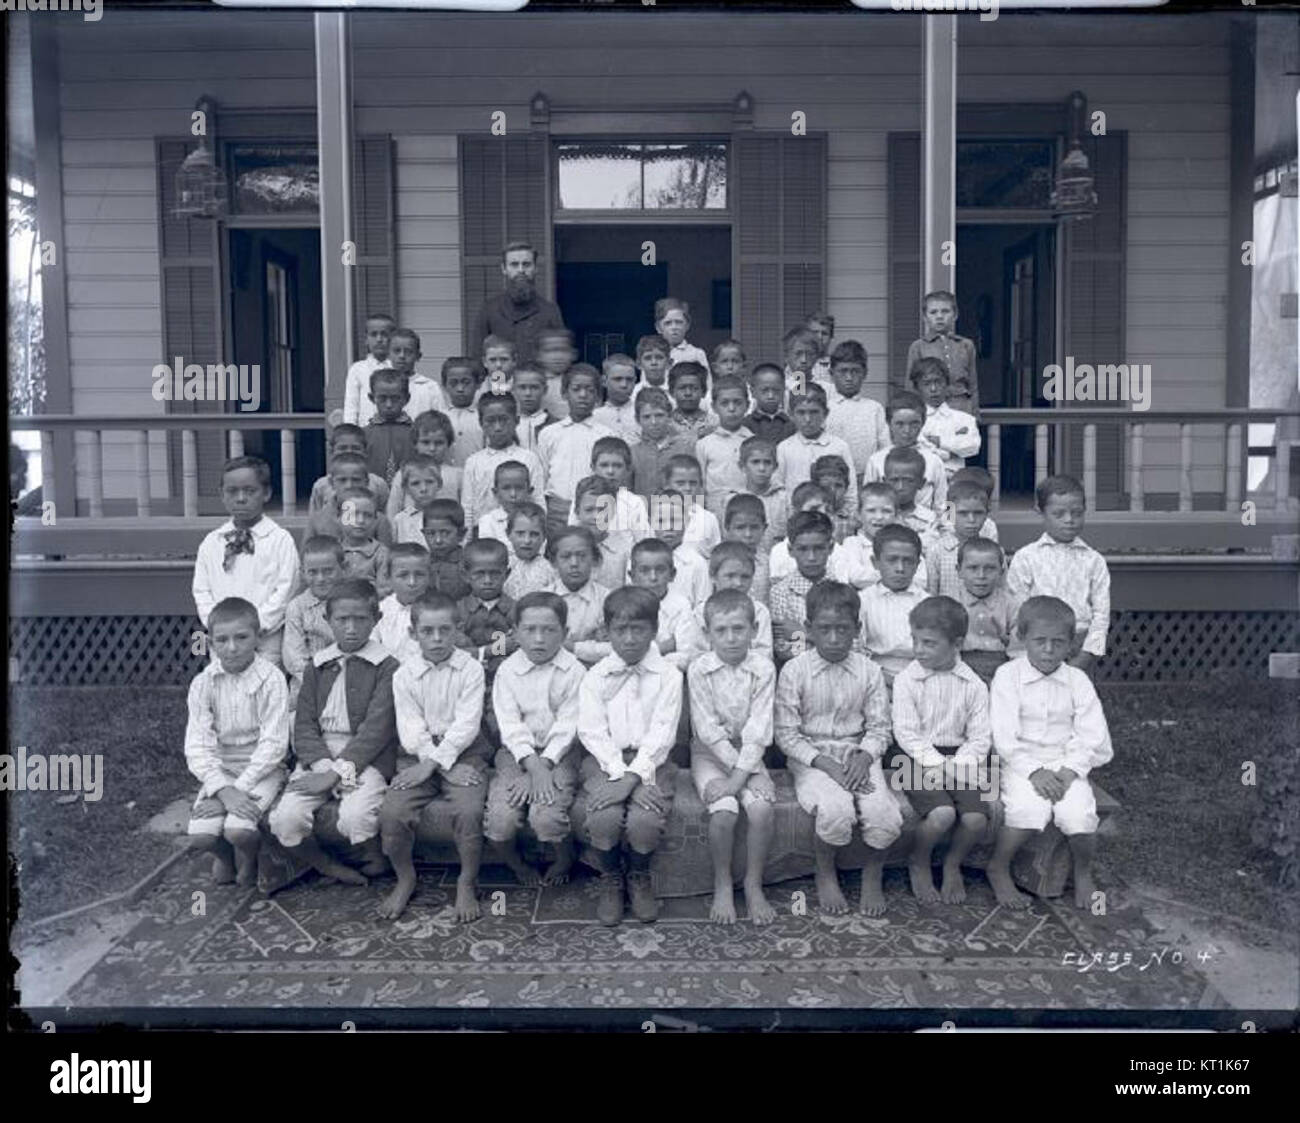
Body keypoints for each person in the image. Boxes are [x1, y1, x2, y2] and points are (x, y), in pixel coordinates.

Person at [775, 580, 902, 916]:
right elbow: (787, 735)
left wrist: (864, 756)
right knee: (835, 809)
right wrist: (826, 765)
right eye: (824, 629)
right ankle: (825, 870)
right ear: (808, 629)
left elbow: (879, 727)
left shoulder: (869, 670)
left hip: (858, 753)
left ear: (857, 629)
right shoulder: (794, 671)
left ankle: (872, 872)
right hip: (813, 757)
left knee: (884, 813)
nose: (833, 638)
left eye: (842, 629)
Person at [268, 579, 398, 886]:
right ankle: (325, 864)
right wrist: (325, 769)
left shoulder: (387, 666)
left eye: (360, 619)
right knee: (287, 817)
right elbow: (305, 725)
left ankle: (373, 857)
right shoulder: (317, 665)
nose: (351, 628)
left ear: (376, 620)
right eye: (342, 620)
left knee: (355, 816)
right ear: (328, 622)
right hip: (320, 758)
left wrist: (339, 774)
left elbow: (375, 731)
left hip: (364, 758)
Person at [987, 596, 1113, 909]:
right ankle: (998, 866)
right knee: (1029, 809)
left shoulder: (1078, 681)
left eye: (1058, 643)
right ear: (1022, 639)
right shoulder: (1008, 676)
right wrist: (1034, 771)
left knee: (1079, 814)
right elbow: (1003, 736)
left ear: (1072, 644)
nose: (1048, 650)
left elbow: (1092, 735)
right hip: (1021, 762)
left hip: (1066, 762)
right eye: (1039, 641)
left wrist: (1068, 772)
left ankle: (1083, 871)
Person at [574, 586, 684, 925]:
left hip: (654, 761)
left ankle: (638, 875)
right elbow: (592, 731)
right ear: (607, 632)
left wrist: (635, 777)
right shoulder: (595, 676)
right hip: (604, 759)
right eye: (621, 630)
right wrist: (620, 775)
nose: (631, 638)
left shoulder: (669, 676)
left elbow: (663, 734)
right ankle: (610, 877)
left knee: (645, 819)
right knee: (603, 817)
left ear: (654, 630)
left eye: (639, 629)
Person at [380, 592, 491, 921]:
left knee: (469, 810)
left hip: (465, 752)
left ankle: (466, 881)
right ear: (414, 634)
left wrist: (440, 764)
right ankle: (405, 878)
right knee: (392, 812)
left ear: (458, 629)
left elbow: (466, 725)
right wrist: (435, 765)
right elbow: (411, 729)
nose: (437, 638)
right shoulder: (403, 675)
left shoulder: (471, 669)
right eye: (428, 631)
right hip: (418, 754)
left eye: (445, 630)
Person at [890, 595, 992, 904]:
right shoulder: (907, 679)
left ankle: (952, 863)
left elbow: (980, 737)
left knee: (976, 819)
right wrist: (937, 765)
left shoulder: (973, 684)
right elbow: (906, 733)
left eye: (929, 643)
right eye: (915, 640)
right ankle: (919, 861)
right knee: (942, 813)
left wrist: (960, 765)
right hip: (910, 756)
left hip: (962, 757)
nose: (918, 649)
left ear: (957, 643)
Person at [184, 597, 289, 886]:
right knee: (201, 836)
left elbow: (274, 745)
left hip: (262, 768)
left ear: (257, 636)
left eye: (241, 637)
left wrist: (235, 792)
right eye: (222, 639)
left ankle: (251, 854)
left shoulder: (271, 679)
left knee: (238, 830)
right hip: (222, 768)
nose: (232, 647)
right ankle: (225, 857)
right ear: (210, 642)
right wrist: (221, 789)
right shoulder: (203, 683)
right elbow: (198, 747)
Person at [690, 588, 778, 925]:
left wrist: (743, 774)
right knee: (724, 811)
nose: (730, 638)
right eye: (721, 630)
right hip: (709, 755)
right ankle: (722, 883)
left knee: (761, 809)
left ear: (754, 630)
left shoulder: (764, 669)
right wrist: (737, 778)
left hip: (750, 755)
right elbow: (707, 729)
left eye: (739, 629)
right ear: (707, 633)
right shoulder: (699, 669)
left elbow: (758, 729)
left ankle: (753, 884)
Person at [485, 591, 584, 888]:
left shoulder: (575, 671)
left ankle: (564, 857)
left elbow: (569, 725)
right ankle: (516, 863)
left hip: (562, 753)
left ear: (565, 633)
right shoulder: (507, 670)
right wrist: (532, 767)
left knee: (546, 817)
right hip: (515, 753)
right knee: (501, 821)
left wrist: (544, 765)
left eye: (549, 630)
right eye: (530, 630)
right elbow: (509, 725)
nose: (539, 639)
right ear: (514, 633)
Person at [193, 455, 299, 669]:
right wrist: (219, 627)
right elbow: (201, 591)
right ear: (222, 495)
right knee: (225, 688)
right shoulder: (212, 542)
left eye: (250, 491)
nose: (241, 498)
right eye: (232, 491)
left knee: (263, 688)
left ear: (266, 493)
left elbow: (286, 589)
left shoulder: (279, 540)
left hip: (265, 638)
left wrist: (255, 626)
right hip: (223, 639)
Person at [1004, 474, 1110, 675]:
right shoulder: (1026, 557)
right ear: (1041, 512)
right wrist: (1027, 654)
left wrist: (1087, 654)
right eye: (1059, 514)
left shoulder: (1094, 561)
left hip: (1078, 646)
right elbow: (1018, 610)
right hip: (1037, 647)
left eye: (1077, 513)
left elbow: (1101, 615)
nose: (1069, 520)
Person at [537, 363, 614, 540]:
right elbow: (542, 474)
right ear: (565, 393)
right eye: (576, 389)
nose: (583, 395)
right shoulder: (549, 433)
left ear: (597, 396)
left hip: (592, 510)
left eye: (589, 390)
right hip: (556, 509)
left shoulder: (606, 434)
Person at [469, 240, 566, 364]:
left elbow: (559, 356)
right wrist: (500, 383)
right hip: (500, 380)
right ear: (504, 269)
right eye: (514, 264)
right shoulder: (489, 310)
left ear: (535, 268)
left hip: (537, 381)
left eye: (526, 264)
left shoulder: (549, 311)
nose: (521, 270)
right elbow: (478, 357)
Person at [460, 393, 545, 529]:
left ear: (516, 421)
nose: (498, 427)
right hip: (484, 536)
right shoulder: (474, 462)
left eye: (504, 420)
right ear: (481, 423)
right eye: (491, 421)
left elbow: (538, 501)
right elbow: (468, 507)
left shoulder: (529, 458)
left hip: (522, 536)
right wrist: (468, 542)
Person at [858, 524, 928, 689]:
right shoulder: (863, 601)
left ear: (918, 564)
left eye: (908, 561)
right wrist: (884, 679)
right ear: (875, 562)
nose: (900, 568)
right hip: (874, 678)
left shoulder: (927, 603)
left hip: (920, 677)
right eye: (892, 560)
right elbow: (857, 653)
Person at [284, 536, 345, 713]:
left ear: (343, 569)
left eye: (328, 571)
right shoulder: (297, 607)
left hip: (349, 682)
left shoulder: (352, 602)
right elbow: (293, 657)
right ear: (302, 573)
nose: (320, 578)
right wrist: (318, 683)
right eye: (313, 572)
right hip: (308, 684)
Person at [775, 383, 858, 513]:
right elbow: (779, 490)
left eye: (814, 412)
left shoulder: (839, 446)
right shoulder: (784, 448)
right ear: (791, 414)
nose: (807, 419)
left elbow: (850, 491)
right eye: (801, 413)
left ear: (825, 413)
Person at [627, 537, 706, 671]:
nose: (653, 577)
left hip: (668, 678)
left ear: (672, 574)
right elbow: (617, 652)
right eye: (644, 571)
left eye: (660, 570)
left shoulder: (681, 606)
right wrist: (663, 648)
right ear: (632, 575)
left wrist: (641, 657)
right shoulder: (623, 604)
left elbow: (687, 656)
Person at [865, 390, 948, 514]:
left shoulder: (934, 461)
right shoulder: (876, 460)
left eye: (914, 424)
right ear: (889, 423)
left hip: (925, 527)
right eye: (900, 424)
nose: (907, 430)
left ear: (923, 422)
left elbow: (945, 503)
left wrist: (948, 529)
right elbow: (868, 499)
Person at [770, 509, 836, 663]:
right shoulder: (780, 593)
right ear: (790, 550)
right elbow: (784, 650)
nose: (811, 557)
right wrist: (828, 643)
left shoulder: (842, 591)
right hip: (798, 675)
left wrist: (802, 633)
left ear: (831, 548)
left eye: (819, 548)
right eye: (803, 549)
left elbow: (851, 646)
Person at [544, 526, 612, 665]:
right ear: (553, 562)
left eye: (582, 556)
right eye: (566, 556)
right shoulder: (542, 599)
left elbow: (616, 648)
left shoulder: (607, 599)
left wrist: (574, 647)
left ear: (594, 559)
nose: (574, 563)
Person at [824, 340, 889, 484]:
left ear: (864, 373)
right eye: (843, 371)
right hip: (831, 480)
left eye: (855, 371)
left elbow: (885, 448)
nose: (849, 378)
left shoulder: (874, 408)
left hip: (866, 479)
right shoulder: (824, 409)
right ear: (831, 373)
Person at [905, 289, 979, 415]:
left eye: (945, 311)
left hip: (961, 405)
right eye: (933, 312)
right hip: (931, 407)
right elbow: (911, 385)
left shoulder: (966, 345)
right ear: (925, 317)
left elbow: (972, 383)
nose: (939, 316)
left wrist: (975, 411)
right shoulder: (918, 346)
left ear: (955, 315)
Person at [956, 537, 1015, 685]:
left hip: (1002, 667)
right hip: (959, 666)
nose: (981, 576)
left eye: (990, 569)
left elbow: (1019, 648)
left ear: (1001, 571)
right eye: (973, 568)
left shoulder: (1011, 604)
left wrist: (1008, 639)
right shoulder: (950, 604)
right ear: (959, 571)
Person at [306, 451, 395, 549]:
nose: (349, 485)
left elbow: (387, 557)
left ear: (367, 482)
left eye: (356, 480)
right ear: (331, 482)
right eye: (342, 480)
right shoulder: (318, 520)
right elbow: (306, 554)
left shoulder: (379, 520)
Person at [694, 374, 754, 518]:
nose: (732, 408)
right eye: (725, 403)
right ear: (714, 407)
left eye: (737, 403)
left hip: (748, 511)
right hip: (714, 512)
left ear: (748, 405)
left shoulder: (753, 442)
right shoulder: (704, 444)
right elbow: (699, 485)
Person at [704, 539, 773, 659]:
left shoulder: (760, 611)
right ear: (713, 576)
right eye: (730, 576)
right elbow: (696, 654)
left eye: (745, 577)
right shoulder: (701, 611)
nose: (738, 583)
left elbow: (765, 653)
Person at [924, 479, 993, 598]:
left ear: (986, 514)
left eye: (978, 513)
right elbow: (931, 593)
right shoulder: (936, 551)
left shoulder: (993, 550)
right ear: (949, 513)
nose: (971, 520)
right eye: (963, 513)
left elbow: (1000, 592)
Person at [911, 356, 980, 477]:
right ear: (917, 388)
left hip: (954, 481)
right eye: (927, 384)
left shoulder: (964, 419)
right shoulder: (912, 419)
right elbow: (918, 450)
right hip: (922, 482)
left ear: (947, 384)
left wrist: (941, 442)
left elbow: (973, 446)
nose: (933, 389)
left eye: (938, 382)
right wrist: (952, 453)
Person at [310, 425, 390, 525]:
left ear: (365, 451)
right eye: (342, 448)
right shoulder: (321, 486)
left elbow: (385, 520)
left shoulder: (378, 485)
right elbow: (314, 520)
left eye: (355, 448)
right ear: (331, 451)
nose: (349, 452)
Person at [386, 410, 461, 519]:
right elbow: (393, 510)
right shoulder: (403, 473)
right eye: (425, 442)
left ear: (448, 444)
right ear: (415, 443)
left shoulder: (457, 475)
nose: (432, 449)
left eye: (439, 443)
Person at [629, 387, 695, 501]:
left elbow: (695, 488)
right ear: (637, 419)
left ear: (669, 416)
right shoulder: (632, 453)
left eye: (659, 415)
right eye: (647, 417)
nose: (654, 422)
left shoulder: (684, 449)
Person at [373, 542, 431, 663]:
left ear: (429, 576)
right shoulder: (380, 610)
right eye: (403, 575)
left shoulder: (437, 610)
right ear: (388, 577)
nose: (412, 582)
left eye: (419, 575)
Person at [341, 313, 395, 427]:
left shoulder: (398, 368)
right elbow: (351, 406)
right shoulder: (357, 369)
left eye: (384, 334)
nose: (379, 339)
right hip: (366, 431)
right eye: (374, 335)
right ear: (366, 339)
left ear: (393, 338)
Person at [363, 369, 416, 485]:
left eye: (395, 398)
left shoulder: (416, 433)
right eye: (382, 399)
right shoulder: (364, 435)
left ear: (407, 399)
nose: (389, 405)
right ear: (372, 398)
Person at [335, 487, 390, 596]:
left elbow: (384, 589)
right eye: (353, 514)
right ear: (339, 518)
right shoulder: (332, 551)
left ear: (375, 520)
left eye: (368, 515)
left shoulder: (382, 554)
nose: (360, 520)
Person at [722, 493, 773, 602]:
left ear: (764, 528)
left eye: (754, 527)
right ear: (727, 527)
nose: (748, 534)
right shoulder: (718, 560)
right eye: (740, 528)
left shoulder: (768, 562)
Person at [389, 453, 447, 546]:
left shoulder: (449, 516)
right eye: (416, 483)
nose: (423, 489)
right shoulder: (400, 520)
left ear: (439, 484)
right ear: (406, 488)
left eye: (429, 482)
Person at [420, 498, 471, 600]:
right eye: (431, 533)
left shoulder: (468, 563)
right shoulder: (421, 564)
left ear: (461, 534)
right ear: (423, 533)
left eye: (445, 533)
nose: (438, 540)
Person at [503, 501, 557, 599]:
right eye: (520, 534)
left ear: (544, 537)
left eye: (534, 534)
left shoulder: (548, 571)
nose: (527, 540)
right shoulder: (503, 565)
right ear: (508, 534)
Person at [474, 461, 534, 546]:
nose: (513, 494)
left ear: (529, 491)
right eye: (506, 488)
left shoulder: (536, 520)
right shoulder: (488, 522)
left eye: (519, 488)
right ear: (495, 492)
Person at [440, 357, 486, 468]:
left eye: (466, 383)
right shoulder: (439, 417)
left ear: (478, 384)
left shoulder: (484, 417)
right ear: (444, 385)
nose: (460, 388)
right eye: (453, 383)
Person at [592, 353, 642, 446]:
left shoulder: (643, 414)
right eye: (617, 379)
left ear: (635, 380)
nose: (624, 385)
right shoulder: (595, 416)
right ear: (604, 381)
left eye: (629, 379)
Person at [654, 297, 710, 373]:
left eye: (679, 322)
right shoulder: (653, 355)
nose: (674, 327)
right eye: (668, 323)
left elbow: (707, 383)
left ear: (687, 325)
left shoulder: (696, 354)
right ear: (658, 328)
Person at [745, 362, 796, 445]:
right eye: (765, 390)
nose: (771, 396)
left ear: (783, 390)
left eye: (776, 390)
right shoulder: (746, 424)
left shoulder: (791, 424)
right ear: (752, 391)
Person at [812, 455, 859, 543]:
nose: (832, 492)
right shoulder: (811, 515)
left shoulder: (855, 516)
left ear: (846, 487)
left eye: (838, 486)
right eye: (825, 488)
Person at [511, 364, 557, 454]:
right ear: (513, 390)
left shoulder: (555, 425)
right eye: (522, 387)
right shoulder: (508, 425)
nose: (528, 393)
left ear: (545, 390)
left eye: (534, 387)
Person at [667, 361, 718, 442]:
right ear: (671, 392)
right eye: (682, 388)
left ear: (704, 392)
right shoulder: (666, 424)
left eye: (694, 388)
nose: (688, 393)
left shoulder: (714, 424)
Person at [634, 334, 673, 401]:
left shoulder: (676, 392)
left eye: (659, 357)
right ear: (639, 364)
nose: (654, 363)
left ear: (669, 363)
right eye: (648, 358)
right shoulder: (633, 393)